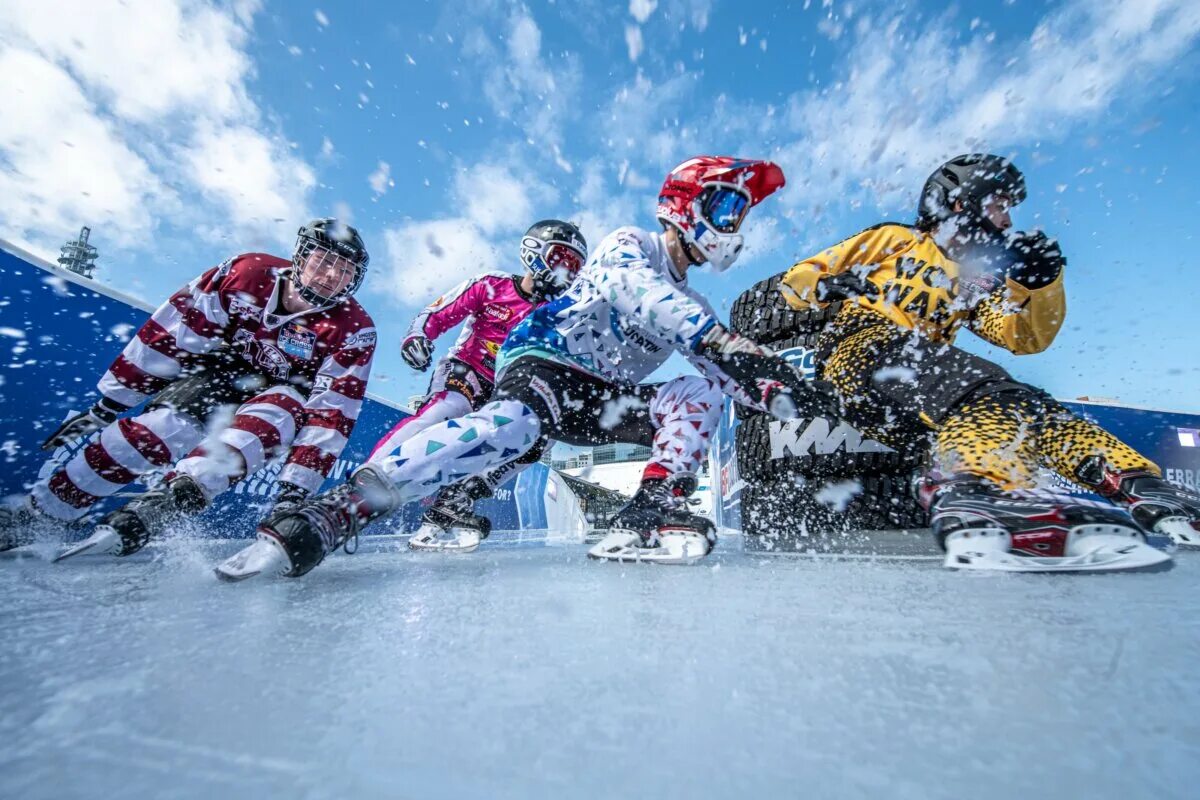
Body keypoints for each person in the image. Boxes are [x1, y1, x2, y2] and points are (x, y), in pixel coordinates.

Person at [215, 155, 832, 580]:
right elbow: (637, 290)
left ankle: (651, 504)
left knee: (697, 391)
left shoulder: (695, 307)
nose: (733, 228)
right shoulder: (629, 245)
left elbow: (723, 371)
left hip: (603, 400)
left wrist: (784, 392)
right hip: (545, 363)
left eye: (739, 217)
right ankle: (344, 507)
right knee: (513, 427)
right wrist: (726, 342)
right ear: (687, 204)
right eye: (726, 209)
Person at [777, 153, 1200, 572]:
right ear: (962, 203)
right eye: (999, 206)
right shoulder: (898, 239)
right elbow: (795, 283)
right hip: (858, 350)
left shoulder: (981, 278)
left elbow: (1023, 336)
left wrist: (1042, 283)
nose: (1007, 221)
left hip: (916, 393)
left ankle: (1143, 487)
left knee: (1022, 402)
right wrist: (828, 283)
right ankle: (974, 491)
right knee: (978, 385)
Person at [0, 219, 376, 561]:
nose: (331, 275)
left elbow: (333, 411)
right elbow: (174, 333)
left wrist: (294, 490)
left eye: (345, 271)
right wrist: (110, 403)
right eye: (324, 260)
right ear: (301, 255)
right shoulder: (246, 273)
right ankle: (42, 513)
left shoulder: (353, 328)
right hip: (220, 372)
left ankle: (174, 499)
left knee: (267, 421)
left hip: (286, 393)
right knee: (148, 434)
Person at [373, 219, 587, 552]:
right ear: (534, 252)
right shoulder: (492, 284)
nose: (566, 272)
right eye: (560, 258)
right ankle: (369, 475)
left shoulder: (560, 315)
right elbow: (439, 312)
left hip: (509, 388)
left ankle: (461, 496)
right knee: (450, 408)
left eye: (574, 267)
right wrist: (418, 335)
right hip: (467, 368)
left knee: (537, 439)